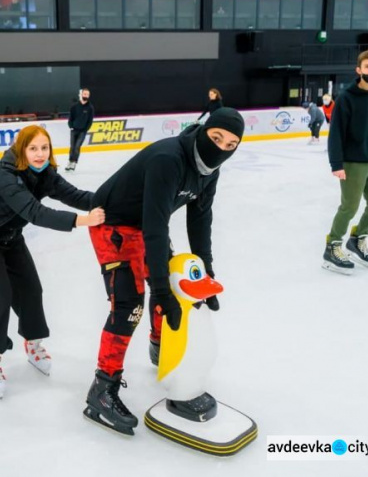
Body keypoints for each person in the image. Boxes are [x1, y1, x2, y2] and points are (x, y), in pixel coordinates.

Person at [81, 108, 245, 436]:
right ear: (203, 131)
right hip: (113, 222)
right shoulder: (168, 159)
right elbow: (157, 226)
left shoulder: (210, 169)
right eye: (216, 138)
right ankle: (102, 388)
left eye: (230, 145)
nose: (221, 148)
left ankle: (163, 353)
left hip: (146, 224)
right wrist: (159, 289)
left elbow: (200, 220)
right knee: (131, 304)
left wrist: (205, 276)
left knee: (171, 288)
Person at [0, 125, 104, 399]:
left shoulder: (45, 174)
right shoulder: (6, 177)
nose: (40, 154)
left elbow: (76, 196)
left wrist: (112, 201)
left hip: (11, 238)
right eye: (33, 149)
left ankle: (33, 342)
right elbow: (35, 212)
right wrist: (83, 221)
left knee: (31, 291)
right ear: (21, 151)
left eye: (44, 148)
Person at [322, 49, 368, 275]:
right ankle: (332, 246)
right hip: (353, 163)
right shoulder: (346, 99)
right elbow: (336, 133)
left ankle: (357, 239)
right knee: (349, 206)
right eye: (367, 66)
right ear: (359, 70)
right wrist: (336, 164)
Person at [66, 88, 94, 172]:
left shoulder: (90, 108)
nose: (86, 96)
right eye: (84, 94)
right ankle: (70, 162)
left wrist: (86, 129)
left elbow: (90, 120)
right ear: (82, 94)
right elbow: (70, 118)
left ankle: (74, 162)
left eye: (87, 94)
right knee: (72, 147)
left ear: (89, 96)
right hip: (74, 130)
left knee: (77, 147)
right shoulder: (74, 106)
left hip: (82, 131)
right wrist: (71, 126)